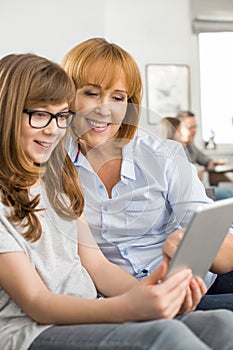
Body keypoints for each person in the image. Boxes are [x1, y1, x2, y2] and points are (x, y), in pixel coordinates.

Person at [2, 53, 232, 350]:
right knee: (165, 336)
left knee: (221, 324)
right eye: (39, 115)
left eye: (61, 117)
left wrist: (148, 295)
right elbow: (37, 303)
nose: (52, 129)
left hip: (91, 309)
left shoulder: (57, 182)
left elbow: (96, 265)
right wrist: (130, 307)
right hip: (32, 328)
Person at [62, 37, 233, 311]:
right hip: (128, 292)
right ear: (68, 96)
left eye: (117, 98)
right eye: (91, 93)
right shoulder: (55, 166)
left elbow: (224, 252)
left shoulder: (163, 155)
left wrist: (195, 243)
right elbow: (95, 266)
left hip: (194, 279)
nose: (104, 108)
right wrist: (154, 297)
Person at [177, 110, 233, 201]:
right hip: (190, 195)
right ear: (178, 128)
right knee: (227, 194)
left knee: (226, 193)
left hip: (197, 190)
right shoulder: (175, 149)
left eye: (195, 127)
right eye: (190, 127)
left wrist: (212, 162)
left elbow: (203, 158)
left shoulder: (189, 144)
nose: (194, 131)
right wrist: (195, 177)